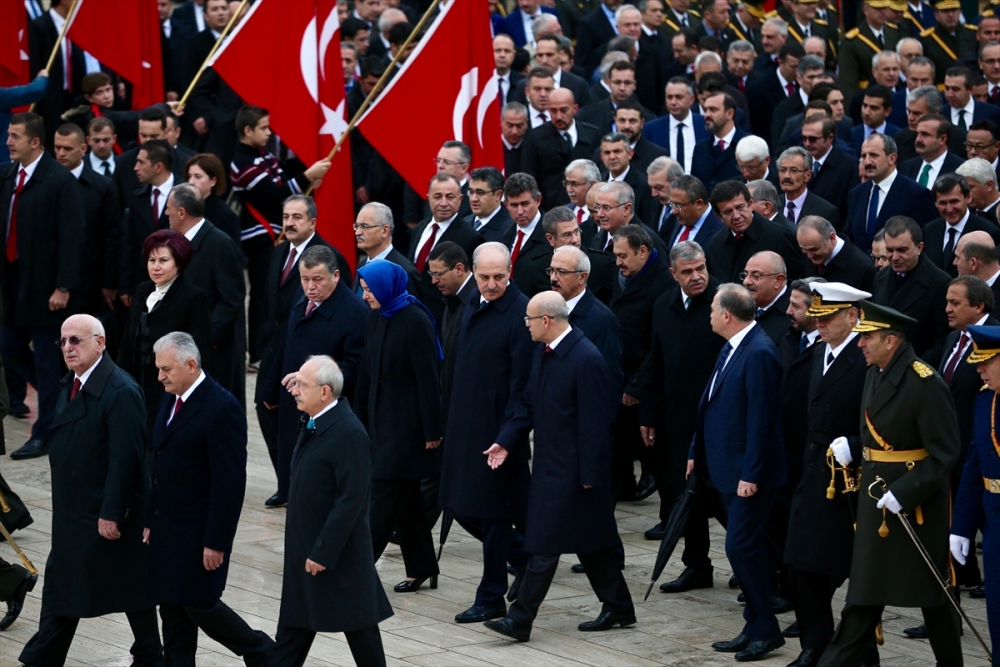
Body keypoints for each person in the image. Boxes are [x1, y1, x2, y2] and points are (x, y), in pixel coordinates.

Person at [483, 292, 636, 642]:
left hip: (574, 472)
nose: (526, 325)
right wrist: (506, 440)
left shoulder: (586, 359)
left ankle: (519, 619)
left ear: (547, 321)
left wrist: (591, 476)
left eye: (529, 320)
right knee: (593, 542)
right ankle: (619, 607)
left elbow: (597, 424)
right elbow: (527, 405)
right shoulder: (544, 352)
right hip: (552, 467)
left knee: (543, 543)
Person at [817, 301, 963, 666]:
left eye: (869, 338)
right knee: (864, 595)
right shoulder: (876, 371)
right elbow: (878, 435)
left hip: (915, 509)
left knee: (933, 595)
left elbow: (945, 453)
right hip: (877, 503)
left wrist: (906, 489)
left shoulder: (924, 382)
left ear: (892, 341)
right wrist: (854, 445)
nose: (861, 344)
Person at [18, 315, 163, 667]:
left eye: (76, 340)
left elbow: (126, 461)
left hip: (102, 512)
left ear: (100, 342)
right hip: (75, 511)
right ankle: (45, 656)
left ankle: (149, 653)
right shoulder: (72, 382)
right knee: (67, 586)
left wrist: (112, 513)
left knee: (125, 585)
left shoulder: (120, 391)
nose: (68, 347)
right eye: (63, 341)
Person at [146, 332, 274, 666]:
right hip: (166, 526)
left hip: (197, 531)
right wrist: (149, 519)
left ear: (191, 364)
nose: (160, 376)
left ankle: (264, 652)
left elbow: (229, 483)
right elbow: (158, 462)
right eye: (158, 369)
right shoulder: (171, 397)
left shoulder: (221, 407)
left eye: (166, 369)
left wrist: (216, 541)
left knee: (199, 603)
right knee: (172, 608)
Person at [271, 355, 392, 667]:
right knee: (292, 635)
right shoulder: (314, 423)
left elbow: (351, 501)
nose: (294, 389)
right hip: (307, 551)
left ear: (325, 392)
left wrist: (323, 551)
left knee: (362, 633)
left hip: (336, 557)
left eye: (301, 384)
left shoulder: (349, 434)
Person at [689, 283, 787, 662]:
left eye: (713, 309)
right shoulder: (733, 347)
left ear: (727, 315)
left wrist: (752, 473)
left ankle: (766, 629)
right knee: (747, 547)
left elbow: (763, 420)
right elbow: (712, 402)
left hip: (750, 475)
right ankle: (755, 624)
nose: (710, 314)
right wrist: (696, 450)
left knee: (740, 546)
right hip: (726, 467)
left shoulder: (759, 352)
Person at [438, 242, 534, 625]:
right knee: (462, 507)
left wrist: (508, 438)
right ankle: (529, 557)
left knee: (495, 516)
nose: (492, 284)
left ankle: (492, 594)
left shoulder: (519, 314)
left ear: (510, 271)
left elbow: (522, 387)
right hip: (465, 429)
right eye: (484, 277)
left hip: (498, 435)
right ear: (473, 274)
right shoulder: (471, 305)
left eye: (499, 276)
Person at [783, 283, 874, 667]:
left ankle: (860, 652)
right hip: (813, 470)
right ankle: (815, 643)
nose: (818, 324)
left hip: (850, 480)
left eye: (828, 317)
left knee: (851, 571)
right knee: (799, 564)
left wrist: (855, 442)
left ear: (852, 316)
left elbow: (882, 414)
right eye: (816, 317)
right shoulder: (818, 352)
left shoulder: (865, 357)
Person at [354, 260, 443, 593]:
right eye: (363, 290)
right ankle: (422, 566)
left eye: (369, 290)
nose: (365, 297)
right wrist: (358, 419)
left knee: (379, 503)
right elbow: (367, 371)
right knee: (408, 506)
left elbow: (428, 381)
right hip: (379, 424)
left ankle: (356, 570)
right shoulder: (378, 316)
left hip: (406, 430)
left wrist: (432, 431)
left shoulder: (415, 320)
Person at [3, 112, 84, 461]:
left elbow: (71, 238)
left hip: (44, 286)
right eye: (8, 135)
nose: (8, 141)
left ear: (35, 142)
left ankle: (45, 432)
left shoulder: (58, 180)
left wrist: (63, 286)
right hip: (10, 283)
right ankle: (61, 397)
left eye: (14, 136)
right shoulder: (7, 176)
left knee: (50, 362)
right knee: (8, 345)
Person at [259, 246, 367, 508]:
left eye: (317, 279)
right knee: (290, 453)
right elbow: (287, 343)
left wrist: (314, 378)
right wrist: (272, 386)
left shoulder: (355, 312)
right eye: (305, 279)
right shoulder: (301, 297)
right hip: (293, 397)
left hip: (324, 403)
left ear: (336, 275)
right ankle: (288, 491)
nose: (310, 286)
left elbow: (355, 366)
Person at [637, 241, 727, 555]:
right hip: (676, 417)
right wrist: (648, 414)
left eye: (701, 268)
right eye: (687, 272)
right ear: (673, 274)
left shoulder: (725, 302)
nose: (696, 276)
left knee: (722, 497)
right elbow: (654, 361)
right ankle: (696, 564)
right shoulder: (664, 304)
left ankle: (756, 567)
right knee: (682, 490)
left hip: (717, 417)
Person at [257, 196, 353, 482]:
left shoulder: (329, 257)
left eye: (297, 217)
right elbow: (267, 301)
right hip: (278, 351)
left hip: (314, 363)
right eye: (286, 216)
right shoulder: (278, 251)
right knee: (267, 413)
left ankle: (294, 482)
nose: (289, 223)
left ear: (312, 221)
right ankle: (285, 481)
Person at [118, 230, 212, 440]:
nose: (156, 266)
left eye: (163, 260)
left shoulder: (193, 298)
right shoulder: (142, 291)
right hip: (136, 386)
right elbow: (127, 343)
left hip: (169, 389)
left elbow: (200, 354)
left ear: (178, 262)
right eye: (151, 260)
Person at [164, 184, 247, 408]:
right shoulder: (175, 243)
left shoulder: (220, 244)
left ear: (182, 212)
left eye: (169, 208)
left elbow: (232, 299)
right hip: (183, 347)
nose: (166, 213)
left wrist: (207, 338)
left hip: (211, 353)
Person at [952, 323, 1000, 663]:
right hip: (995, 519)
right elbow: (973, 465)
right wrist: (962, 526)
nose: (979, 369)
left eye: (986, 361)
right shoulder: (986, 400)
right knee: (997, 609)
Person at [871, 215, 951, 358]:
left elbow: (945, 339)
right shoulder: (880, 278)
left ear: (919, 247)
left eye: (902, 250)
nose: (895, 257)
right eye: (890, 250)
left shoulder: (940, 283)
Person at [796, 215, 877, 291]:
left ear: (832, 238)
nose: (809, 255)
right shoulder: (809, 252)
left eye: (814, 249)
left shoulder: (863, 268)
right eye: (804, 250)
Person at [183, 153, 241, 248]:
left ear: (213, 181)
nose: (191, 182)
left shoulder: (226, 216)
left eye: (198, 176)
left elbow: (230, 253)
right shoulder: (182, 207)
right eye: (189, 176)